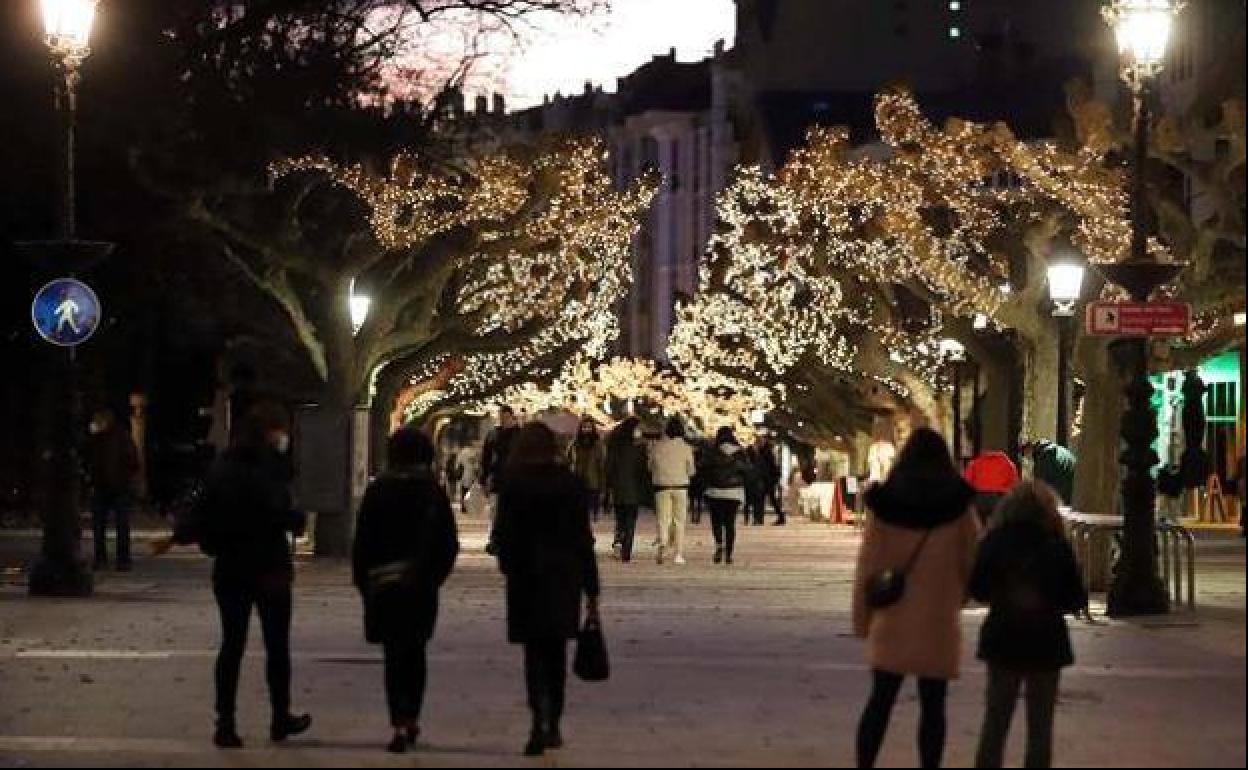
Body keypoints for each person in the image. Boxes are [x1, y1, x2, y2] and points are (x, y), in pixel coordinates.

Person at [169, 401, 311, 749]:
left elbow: (205, 512)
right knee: (277, 646)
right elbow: (280, 514)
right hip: (270, 567)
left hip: (231, 568)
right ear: (270, 433)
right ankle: (280, 717)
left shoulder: (221, 467)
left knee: (232, 645)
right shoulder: (271, 469)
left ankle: (226, 723)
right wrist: (294, 520)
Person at [853, 428, 980, 769]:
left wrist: (862, 619)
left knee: (880, 702)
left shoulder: (885, 505)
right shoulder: (959, 507)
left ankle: (865, 764)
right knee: (934, 706)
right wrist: (959, 596)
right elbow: (972, 562)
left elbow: (868, 567)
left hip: (893, 618)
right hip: (938, 619)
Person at [493, 422, 601, 757]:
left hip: (526, 576)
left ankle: (537, 715)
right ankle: (553, 720)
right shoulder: (569, 484)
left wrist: (509, 566)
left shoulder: (513, 484)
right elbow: (583, 538)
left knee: (533, 653)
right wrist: (591, 587)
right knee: (555, 651)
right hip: (563, 576)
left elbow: (504, 534)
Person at [352, 428, 460, 754]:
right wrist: (434, 577)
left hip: (384, 583)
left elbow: (363, 541)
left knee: (393, 655)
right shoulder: (432, 492)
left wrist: (364, 582)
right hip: (420, 584)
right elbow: (448, 543)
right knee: (415, 651)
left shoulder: (378, 491)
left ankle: (397, 719)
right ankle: (411, 715)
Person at [970, 481, 1087, 769]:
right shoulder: (1057, 545)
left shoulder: (994, 542)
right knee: (1040, 728)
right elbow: (1075, 598)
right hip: (1046, 641)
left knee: (995, 722)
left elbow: (978, 589)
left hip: (1003, 637)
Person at [87, 407, 140, 572]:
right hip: (103, 486)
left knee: (120, 525)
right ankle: (103, 557)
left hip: (118, 487)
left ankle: (121, 559)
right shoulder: (96, 440)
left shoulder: (119, 437)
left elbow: (132, 461)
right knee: (100, 525)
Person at [702, 427, 754, 565]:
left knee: (716, 522)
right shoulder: (740, 452)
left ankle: (719, 544)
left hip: (715, 492)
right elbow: (748, 470)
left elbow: (703, 469)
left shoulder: (712, 452)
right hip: (734, 492)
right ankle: (729, 553)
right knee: (730, 524)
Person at [649, 417, 697, 566]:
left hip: (661, 487)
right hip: (681, 487)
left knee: (663, 519)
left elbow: (650, 466)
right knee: (679, 522)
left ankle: (663, 541)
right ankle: (678, 554)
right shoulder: (686, 447)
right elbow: (691, 470)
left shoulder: (656, 446)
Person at [605, 417, 650, 563]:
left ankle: (618, 541)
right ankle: (626, 552)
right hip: (634, 490)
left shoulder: (615, 447)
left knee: (620, 519)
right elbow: (644, 471)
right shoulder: (639, 449)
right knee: (630, 521)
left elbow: (609, 468)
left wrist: (609, 486)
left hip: (619, 490)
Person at [482, 406, 520, 552]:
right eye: (501, 416)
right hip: (497, 478)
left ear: (512, 417)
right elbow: (486, 458)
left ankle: (510, 539)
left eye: (506, 416)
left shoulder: (519, 434)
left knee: (511, 511)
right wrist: (484, 477)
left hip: (514, 479)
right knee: (495, 511)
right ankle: (495, 540)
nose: (503, 419)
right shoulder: (493, 434)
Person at [567, 416, 607, 522]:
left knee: (590, 507)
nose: (586, 429)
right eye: (584, 427)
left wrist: (603, 486)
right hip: (577, 479)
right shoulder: (574, 444)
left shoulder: (598, 445)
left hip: (593, 481)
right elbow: (568, 460)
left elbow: (602, 465)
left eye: (589, 427)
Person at [964, 450, 1020, 525]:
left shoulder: (976, 462)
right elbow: (1014, 484)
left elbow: (967, 481)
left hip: (980, 496)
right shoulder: (1008, 463)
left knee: (979, 525)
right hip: (999, 497)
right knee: (998, 525)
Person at [1021, 440, 1076, 506]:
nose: (1026, 458)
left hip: (1064, 491)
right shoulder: (1057, 449)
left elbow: (1039, 485)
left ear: (1028, 448)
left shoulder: (1045, 456)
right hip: (1074, 488)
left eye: (1024, 454)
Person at [751, 433, 784, 526]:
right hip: (764, 479)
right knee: (760, 499)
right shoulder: (761, 452)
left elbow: (768, 466)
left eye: (760, 441)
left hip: (767, 479)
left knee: (765, 499)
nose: (758, 443)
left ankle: (761, 519)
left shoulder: (767, 452)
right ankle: (759, 519)